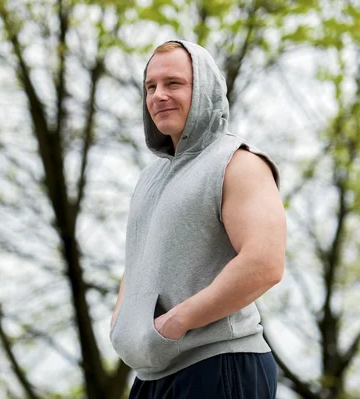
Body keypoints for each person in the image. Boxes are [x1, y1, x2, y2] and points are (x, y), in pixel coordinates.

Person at [109, 40, 287, 398]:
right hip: (151, 375)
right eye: (151, 86)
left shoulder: (238, 163)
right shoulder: (151, 177)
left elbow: (265, 262)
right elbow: (141, 260)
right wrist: (122, 325)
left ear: (204, 88)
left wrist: (176, 323)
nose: (159, 95)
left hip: (219, 366)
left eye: (174, 83)